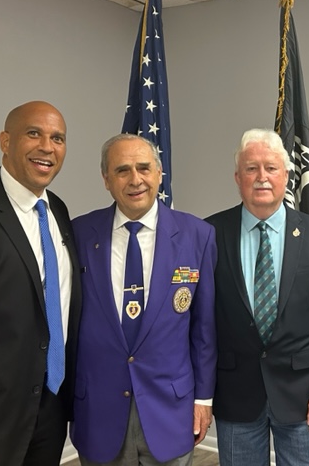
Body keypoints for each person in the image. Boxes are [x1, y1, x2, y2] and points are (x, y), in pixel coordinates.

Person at [70, 134, 217, 465]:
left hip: (171, 408)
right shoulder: (79, 233)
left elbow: (204, 328)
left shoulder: (198, 235)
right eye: (122, 170)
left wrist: (203, 399)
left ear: (159, 173)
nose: (135, 179)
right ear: (106, 179)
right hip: (99, 409)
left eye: (143, 168)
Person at [0, 101, 82, 466]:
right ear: (4, 141)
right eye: (33, 133)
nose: (47, 146)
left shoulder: (58, 209)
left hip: (51, 409)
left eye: (58, 138)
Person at [206, 128, 309, 466]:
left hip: (302, 395)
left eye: (271, 168)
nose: (261, 177)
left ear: (286, 175)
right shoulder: (211, 232)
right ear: (238, 177)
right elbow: (203, 322)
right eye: (252, 169)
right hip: (236, 393)